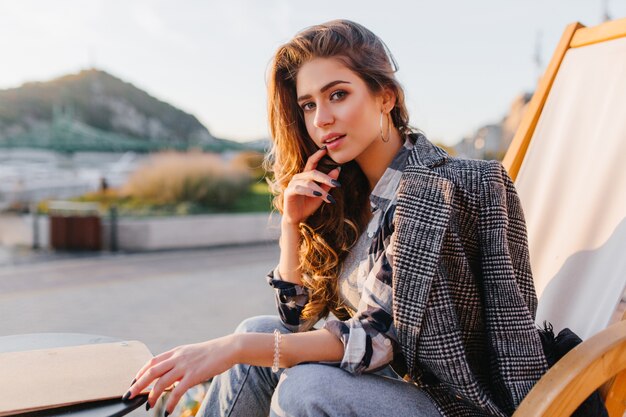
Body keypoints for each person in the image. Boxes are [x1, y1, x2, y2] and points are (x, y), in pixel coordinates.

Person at [124, 20, 548, 417]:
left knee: (303, 385)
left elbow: (377, 340)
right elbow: (299, 322)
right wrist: (291, 226)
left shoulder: (435, 190)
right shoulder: (349, 194)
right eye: (308, 105)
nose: (321, 119)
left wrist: (232, 348)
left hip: (450, 405)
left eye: (338, 95)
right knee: (259, 330)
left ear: (386, 96)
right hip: (380, 389)